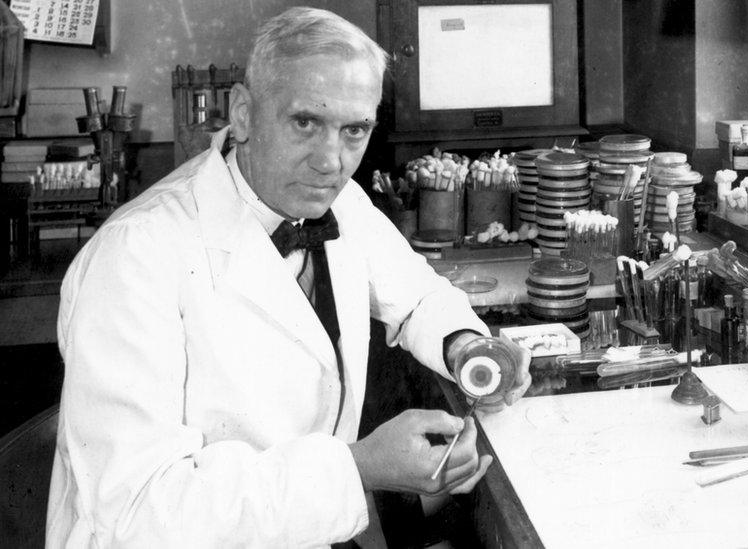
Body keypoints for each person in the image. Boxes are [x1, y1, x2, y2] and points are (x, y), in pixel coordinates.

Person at [46, 7, 530, 547]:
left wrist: (467, 349)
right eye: (306, 122)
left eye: (354, 130)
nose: (331, 161)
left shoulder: (340, 202)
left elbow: (417, 296)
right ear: (244, 112)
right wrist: (358, 468)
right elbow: (136, 514)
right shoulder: (134, 256)